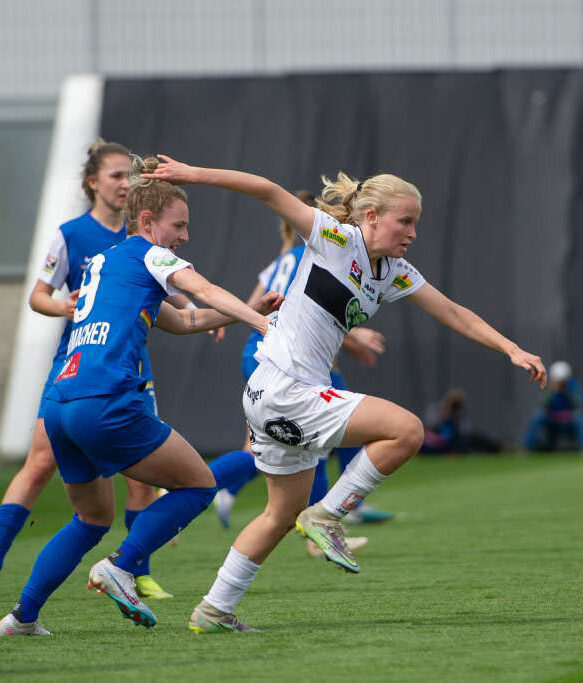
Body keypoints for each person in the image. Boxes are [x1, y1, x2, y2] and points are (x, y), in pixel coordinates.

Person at [141, 155, 547, 633]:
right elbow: (268, 189)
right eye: (406, 220)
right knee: (406, 430)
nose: (413, 232)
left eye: (417, 222)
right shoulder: (336, 239)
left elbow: (456, 313)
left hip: (273, 393)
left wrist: (511, 348)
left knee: (278, 514)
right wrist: (192, 175)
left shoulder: (394, 270)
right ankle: (330, 515)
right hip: (286, 388)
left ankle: (212, 609)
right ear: (371, 217)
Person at [0, 156, 281, 636]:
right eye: (180, 225)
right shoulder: (151, 255)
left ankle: (21, 618)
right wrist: (262, 324)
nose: (185, 237)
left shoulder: (105, 262)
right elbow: (205, 290)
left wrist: (246, 311)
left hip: (61, 404)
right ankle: (123, 566)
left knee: (91, 518)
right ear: (148, 222)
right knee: (198, 485)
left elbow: (186, 319)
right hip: (105, 400)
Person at [0, 141, 173, 600]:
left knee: (142, 478)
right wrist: (62, 305)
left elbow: (167, 291)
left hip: (131, 365)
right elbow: (38, 294)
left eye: (129, 177)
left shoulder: (140, 237)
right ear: (92, 182)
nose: (124, 184)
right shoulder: (71, 234)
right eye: (115, 175)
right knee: (39, 464)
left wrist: (200, 313)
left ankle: (136, 572)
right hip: (76, 364)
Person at [211, 191, 394, 541]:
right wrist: (358, 339)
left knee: (282, 444)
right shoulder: (321, 252)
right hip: (283, 359)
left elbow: (255, 306)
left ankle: (226, 491)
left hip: (260, 352)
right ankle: (196, 483)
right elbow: (320, 308)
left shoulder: (280, 259)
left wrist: (220, 319)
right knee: (302, 441)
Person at [523, 361, 583, 452]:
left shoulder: (573, 386)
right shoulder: (549, 386)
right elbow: (542, 403)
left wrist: (566, 391)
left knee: (579, 418)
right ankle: (528, 448)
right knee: (538, 416)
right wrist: (553, 391)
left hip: (568, 418)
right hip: (552, 417)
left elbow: (579, 403)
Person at [421, 389, 503, 454]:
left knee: (477, 438)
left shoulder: (459, 413)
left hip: (455, 438)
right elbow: (430, 426)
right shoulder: (435, 409)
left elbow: (465, 429)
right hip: (438, 440)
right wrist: (445, 413)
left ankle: (499, 448)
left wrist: (455, 416)